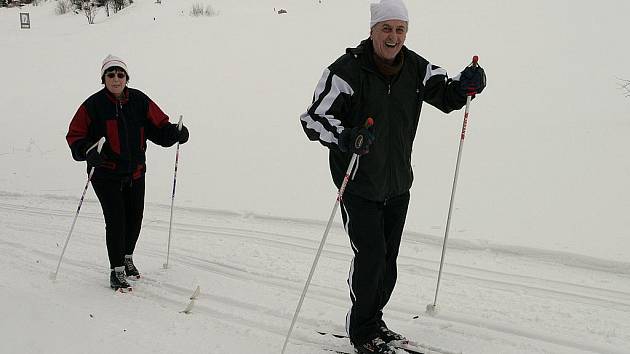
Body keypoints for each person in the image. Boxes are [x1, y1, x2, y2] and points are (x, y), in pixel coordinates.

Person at [299, 0, 486, 353]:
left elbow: (447, 93)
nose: (393, 36)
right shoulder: (345, 72)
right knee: (370, 258)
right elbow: (313, 119)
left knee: (387, 263)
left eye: (400, 30)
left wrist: (467, 84)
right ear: (372, 31)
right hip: (358, 183)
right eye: (386, 29)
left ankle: (374, 319)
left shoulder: (416, 68)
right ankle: (362, 330)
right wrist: (347, 136)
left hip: (398, 182)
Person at [66, 54, 190, 291]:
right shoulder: (92, 106)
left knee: (134, 219)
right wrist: (87, 152)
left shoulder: (140, 101)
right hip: (105, 175)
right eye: (110, 74)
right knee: (116, 220)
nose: (116, 78)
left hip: (136, 173)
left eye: (120, 74)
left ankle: (127, 258)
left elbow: (159, 129)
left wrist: (176, 133)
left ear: (126, 78)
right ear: (103, 78)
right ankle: (116, 270)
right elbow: (75, 137)